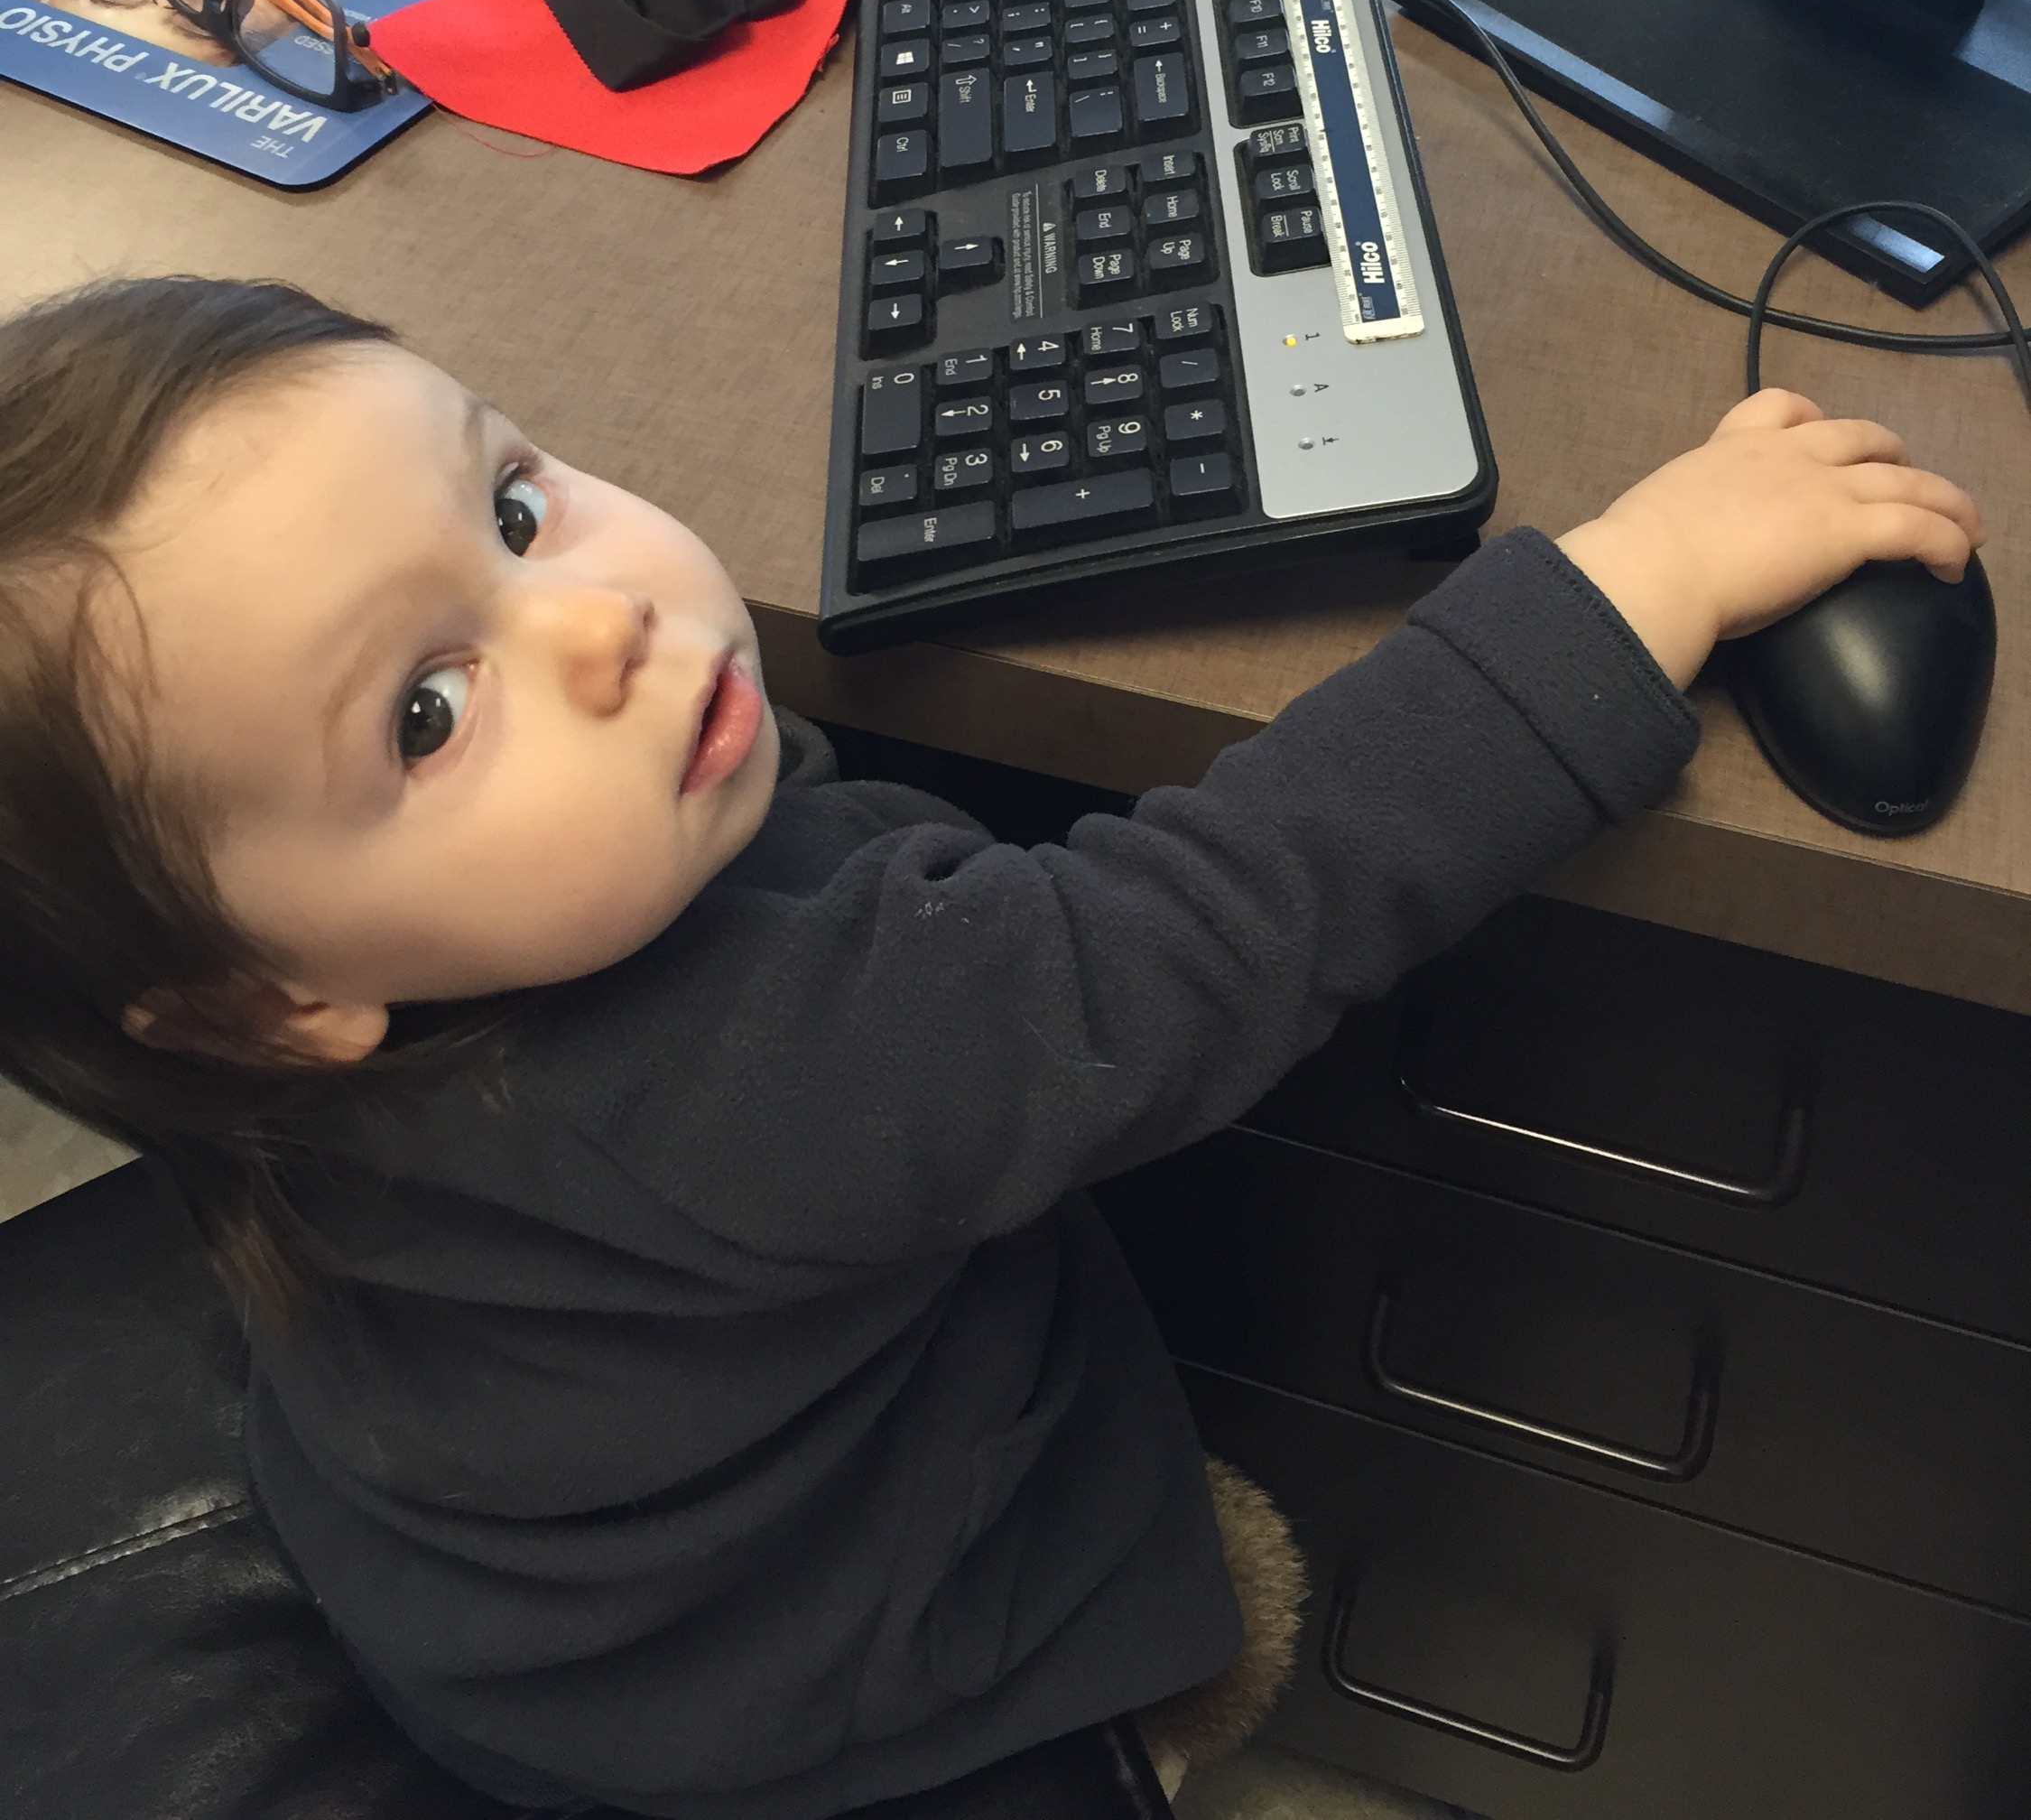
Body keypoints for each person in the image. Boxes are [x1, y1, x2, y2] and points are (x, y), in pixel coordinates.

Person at [0, 276, 1984, 1819]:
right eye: (425, 714)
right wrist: (1641, 580)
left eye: (513, 506)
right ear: (259, 1005)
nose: (596, 620)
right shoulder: (721, 1075)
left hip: (502, 1583)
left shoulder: (366, 1022)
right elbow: (1197, 935)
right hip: (799, 1719)